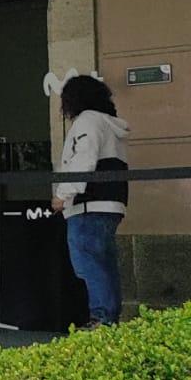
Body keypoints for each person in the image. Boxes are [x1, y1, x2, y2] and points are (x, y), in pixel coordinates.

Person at [52, 74, 129, 329]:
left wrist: (63, 195)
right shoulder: (110, 125)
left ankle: (101, 318)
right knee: (104, 263)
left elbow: (83, 160)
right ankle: (109, 318)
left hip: (88, 204)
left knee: (88, 263)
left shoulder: (88, 121)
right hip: (112, 202)